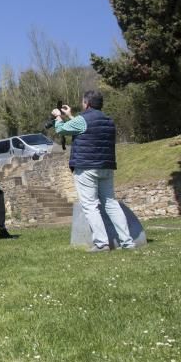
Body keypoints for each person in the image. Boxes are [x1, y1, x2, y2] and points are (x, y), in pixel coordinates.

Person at [53, 90, 134, 252]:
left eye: (83, 102)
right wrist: (70, 115)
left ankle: (101, 243)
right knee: (111, 203)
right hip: (106, 166)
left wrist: (58, 117)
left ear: (87, 104)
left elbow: (61, 130)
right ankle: (127, 242)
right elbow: (86, 128)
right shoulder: (109, 121)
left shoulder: (83, 120)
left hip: (86, 167)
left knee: (90, 205)